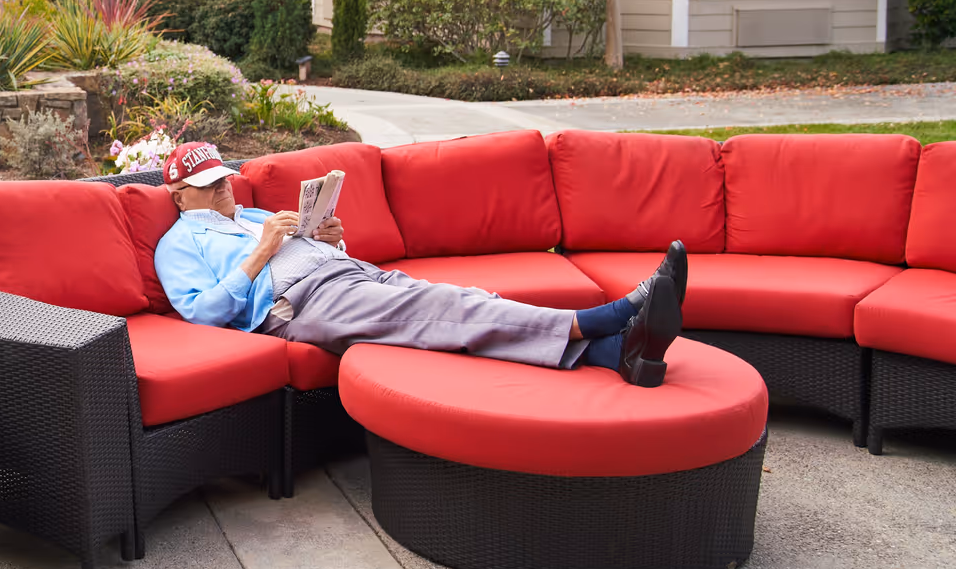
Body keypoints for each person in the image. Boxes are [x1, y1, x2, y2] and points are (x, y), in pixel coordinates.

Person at [151, 141, 684, 387]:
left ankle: (614, 354)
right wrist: (261, 251)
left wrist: (332, 241)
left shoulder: (254, 211)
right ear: (178, 196)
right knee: (441, 305)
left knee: (463, 303)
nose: (221, 189)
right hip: (300, 304)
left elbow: (307, 246)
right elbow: (204, 315)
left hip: (346, 272)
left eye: (222, 178)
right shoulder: (179, 244)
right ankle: (603, 320)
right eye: (206, 186)